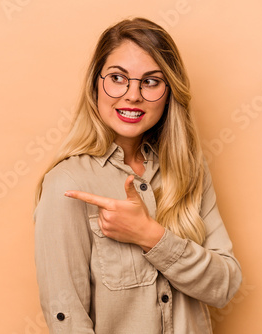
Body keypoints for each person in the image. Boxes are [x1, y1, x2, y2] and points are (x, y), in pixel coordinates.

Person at [33, 17, 242, 334]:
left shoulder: (190, 170)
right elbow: (68, 317)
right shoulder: (67, 183)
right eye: (118, 78)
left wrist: (150, 236)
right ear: (96, 85)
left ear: (170, 92)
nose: (132, 95)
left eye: (151, 81)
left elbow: (224, 286)